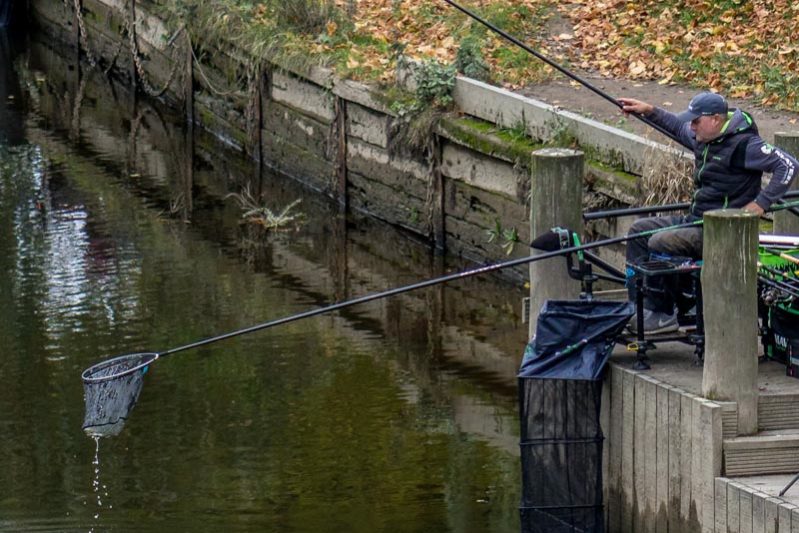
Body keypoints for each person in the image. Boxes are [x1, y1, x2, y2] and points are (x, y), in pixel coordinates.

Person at [617, 91, 798, 333]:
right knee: (639, 231)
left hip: (722, 231)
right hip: (696, 220)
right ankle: (647, 309)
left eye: (696, 121)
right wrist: (649, 110)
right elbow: (676, 128)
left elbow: (788, 165)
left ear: (715, 119)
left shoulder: (745, 145)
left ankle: (670, 311)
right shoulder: (703, 136)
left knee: (660, 242)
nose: (691, 127)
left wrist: (760, 205)